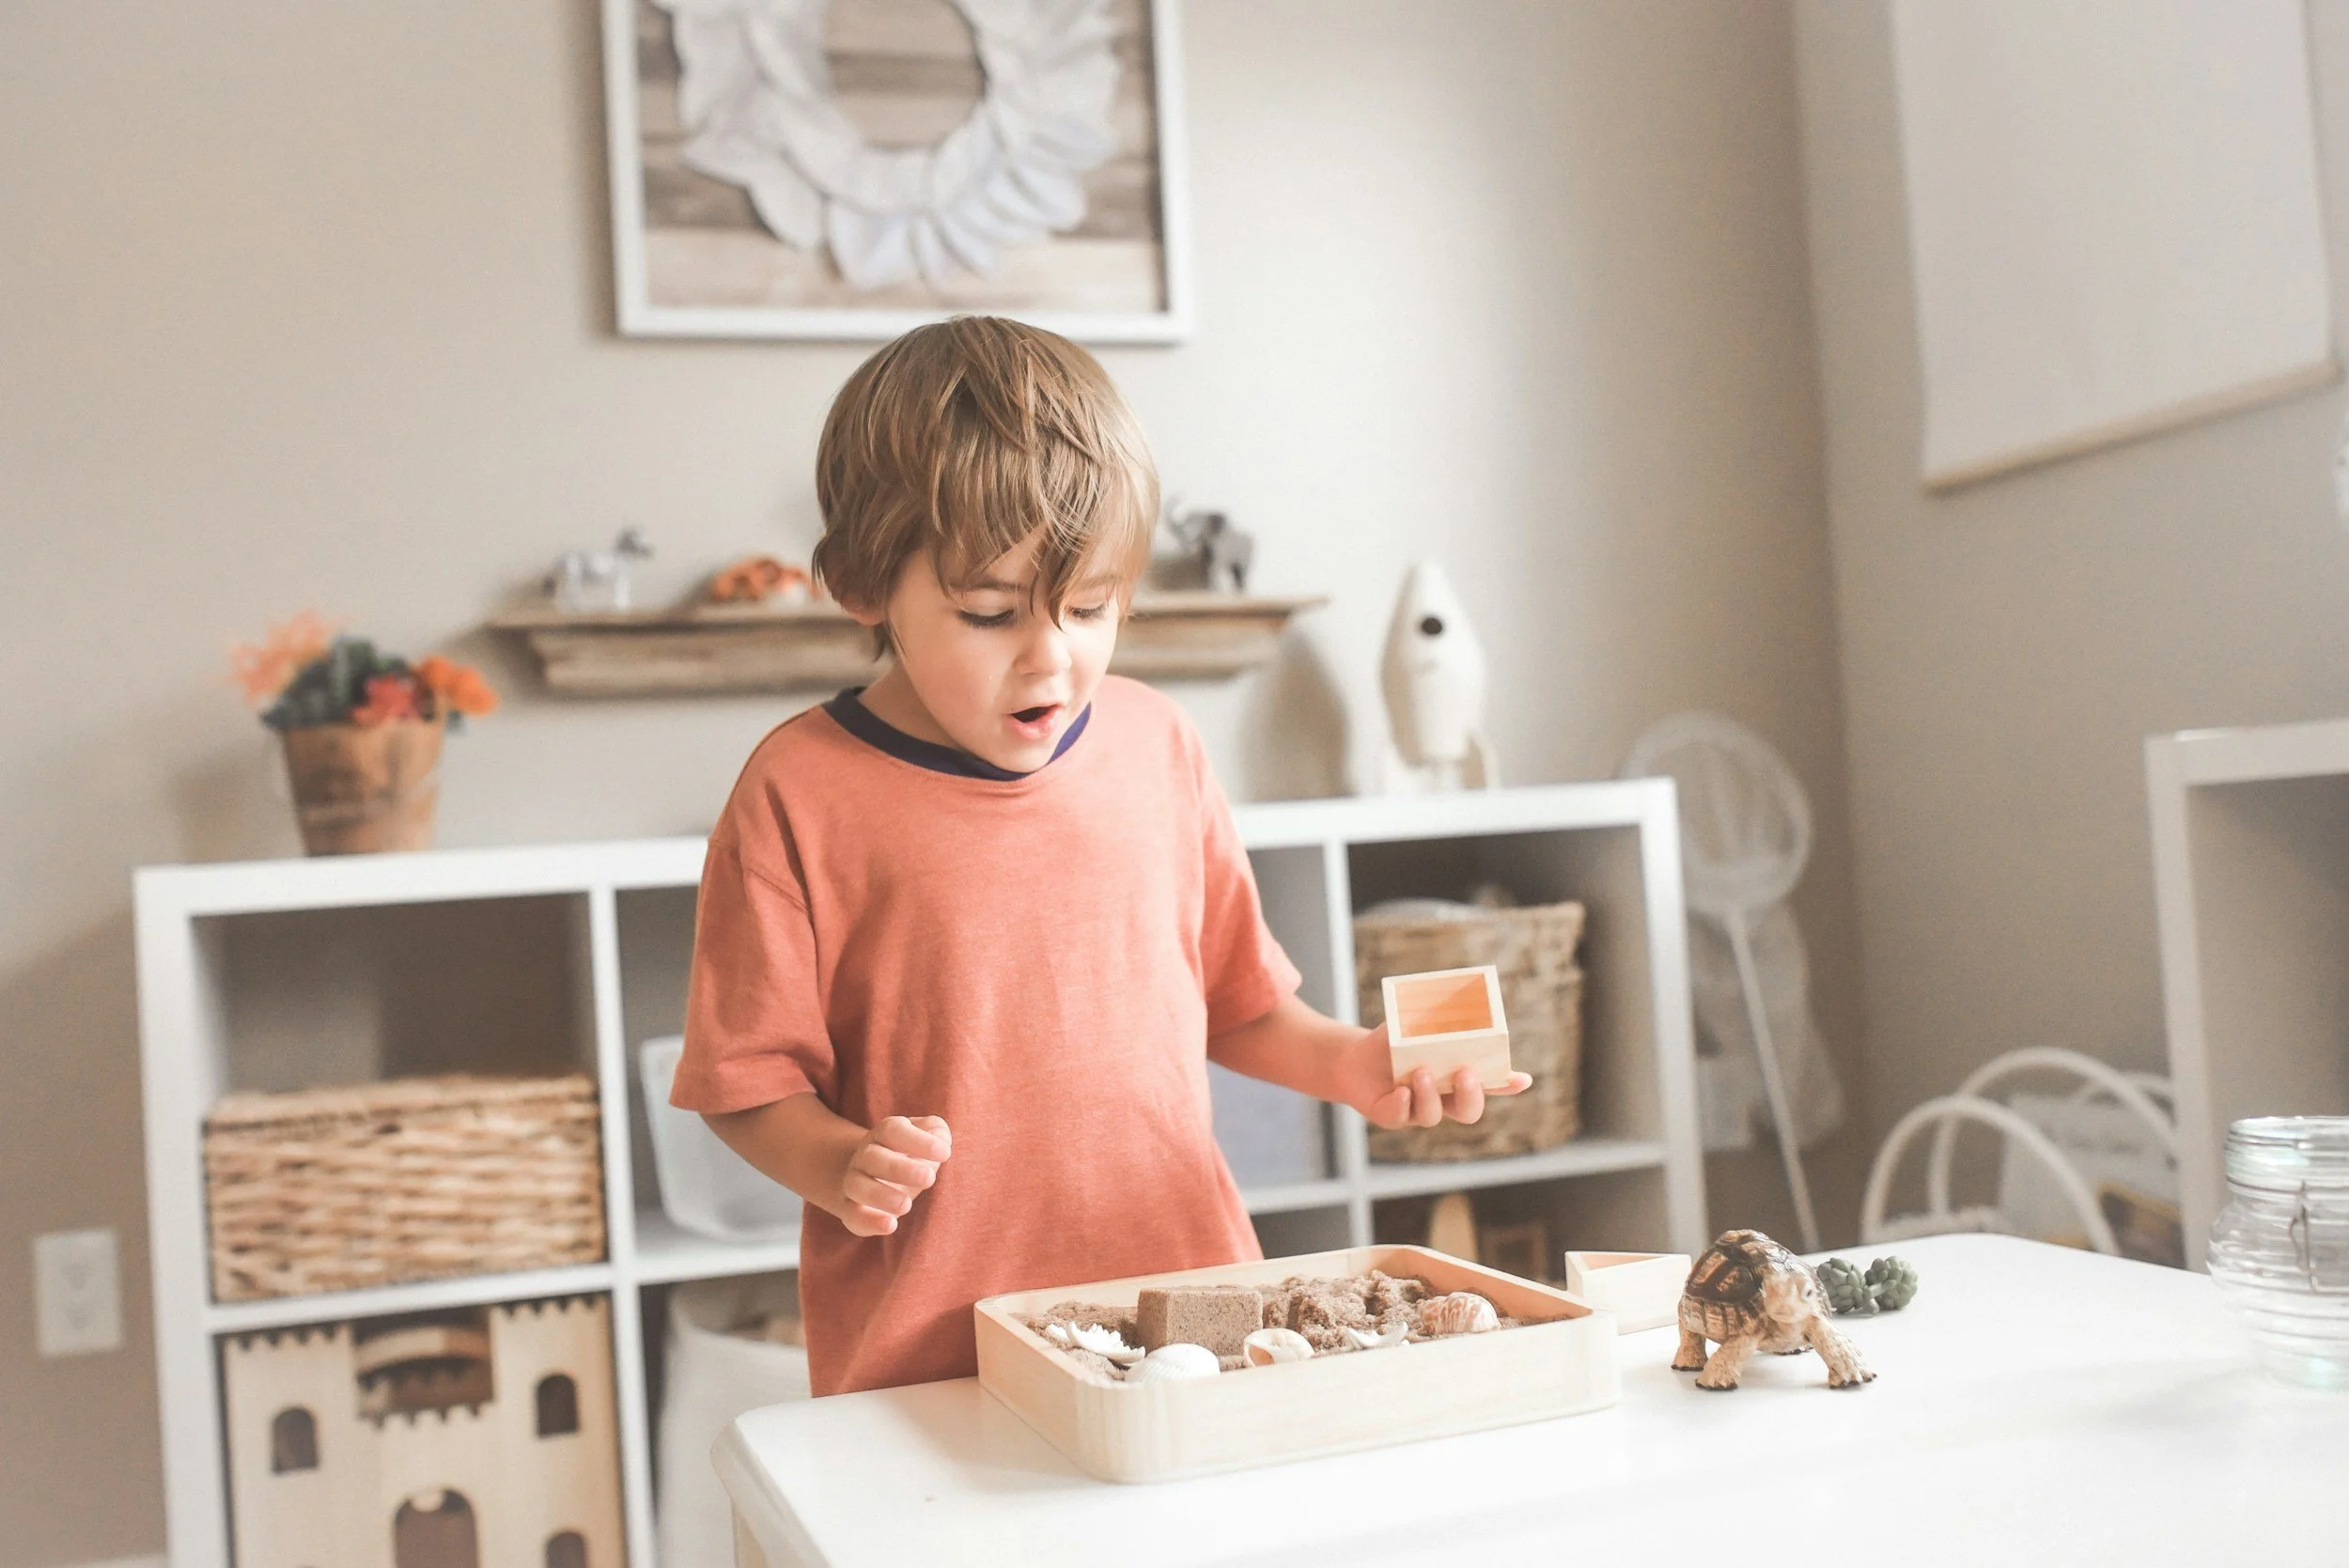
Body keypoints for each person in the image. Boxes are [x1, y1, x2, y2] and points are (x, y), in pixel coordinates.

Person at [673, 316, 1529, 1395]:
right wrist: (837, 1162)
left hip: (1192, 1315)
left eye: (1090, 607)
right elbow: (742, 1080)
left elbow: (1237, 1002)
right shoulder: (797, 791)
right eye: (988, 613)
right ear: (861, 585)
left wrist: (1353, 1067)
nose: (1051, 656)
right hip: (936, 1352)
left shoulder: (1158, 744)